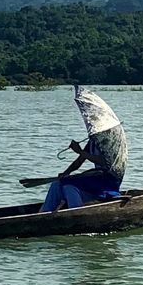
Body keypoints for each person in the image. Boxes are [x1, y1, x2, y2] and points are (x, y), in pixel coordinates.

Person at [39, 85, 129, 213]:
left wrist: (79, 151)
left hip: (107, 181)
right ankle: (44, 214)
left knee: (70, 186)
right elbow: (79, 161)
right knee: (57, 184)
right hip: (96, 178)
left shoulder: (107, 141)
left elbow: (104, 162)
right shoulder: (93, 141)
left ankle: (76, 214)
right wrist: (66, 173)